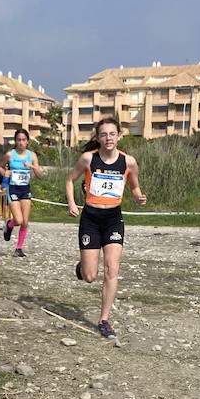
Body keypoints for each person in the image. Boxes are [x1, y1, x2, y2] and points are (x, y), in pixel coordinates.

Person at [66, 117, 146, 341]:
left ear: (119, 135)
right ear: (97, 137)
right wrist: (72, 203)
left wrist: (138, 197)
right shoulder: (88, 159)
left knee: (112, 268)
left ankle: (104, 320)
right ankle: (83, 267)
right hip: (91, 219)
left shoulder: (128, 162)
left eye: (112, 134)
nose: (108, 138)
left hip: (113, 219)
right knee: (90, 276)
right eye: (103, 134)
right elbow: (70, 180)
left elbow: (135, 186)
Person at [1, 128, 44, 258]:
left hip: (25, 189)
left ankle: (18, 248)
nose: (21, 142)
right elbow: (0, 167)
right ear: (16, 141)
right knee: (18, 220)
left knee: (25, 221)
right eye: (18, 140)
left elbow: (40, 175)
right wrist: (5, 173)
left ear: (27, 142)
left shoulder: (32, 155)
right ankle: (9, 225)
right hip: (13, 189)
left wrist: (31, 166)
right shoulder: (10, 154)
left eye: (23, 140)